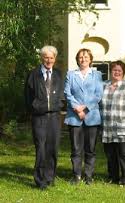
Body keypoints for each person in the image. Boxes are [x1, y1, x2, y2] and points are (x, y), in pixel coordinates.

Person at [25, 45, 64, 190]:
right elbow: (27, 96)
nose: (49, 60)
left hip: (54, 116)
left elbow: (61, 93)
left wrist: (58, 104)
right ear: (41, 58)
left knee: (52, 148)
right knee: (41, 148)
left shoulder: (59, 74)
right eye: (46, 57)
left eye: (51, 57)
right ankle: (40, 180)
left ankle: (50, 177)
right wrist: (34, 107)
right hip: (39, 117)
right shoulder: (33, 74)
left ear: (55, 58)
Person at [64, 48, 103, 185]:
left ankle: (89, 176)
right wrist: (77, 108)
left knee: (90, 149)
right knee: (75, 149)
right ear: (77, 59)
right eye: (81, 57)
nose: (83, 59)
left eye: (86, 57)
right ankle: (76, 175)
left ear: (90, 59)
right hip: (74, 117)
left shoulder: (97, 75)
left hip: (91, 117)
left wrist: (85, 109)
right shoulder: (71, 74)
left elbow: (98, 95)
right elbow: (67, 93)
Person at [101, 60, 125, 186]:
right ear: (111, 71)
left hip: (122, 124)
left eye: (119, 71)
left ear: (123, 73)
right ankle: (113, 176)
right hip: (107, 125)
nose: (116, 72)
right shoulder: (104, 85)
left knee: (124, 153)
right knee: (110, 153)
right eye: (114, 70)